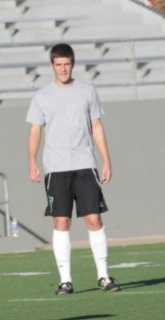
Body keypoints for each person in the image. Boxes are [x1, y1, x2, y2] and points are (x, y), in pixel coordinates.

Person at [26, 43, 120, 296]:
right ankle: (65, 280)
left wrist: (106, 159)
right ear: (52, 66)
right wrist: (32, 161)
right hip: (56, 168)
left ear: (72, 64)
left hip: (84, 165)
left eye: (67, 64)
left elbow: (97, 126)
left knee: (94, 218)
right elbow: (35, 130)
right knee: (61, 220)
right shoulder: (42, 96)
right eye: (58, 64)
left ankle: (103, 275)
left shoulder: (87, 91)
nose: (63, 69)